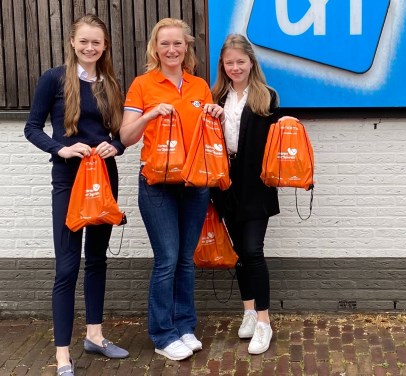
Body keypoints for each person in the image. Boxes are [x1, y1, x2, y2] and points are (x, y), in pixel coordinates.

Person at [23, 14, 129, 376]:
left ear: (104, 46)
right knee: (67, 267)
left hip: (103, 179)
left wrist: (116, 147)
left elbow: (119, 135)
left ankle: (95, 336)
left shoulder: (111, 83)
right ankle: (63, 355)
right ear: (72, 42)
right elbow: (31, 128)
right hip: (68, 181)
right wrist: (60, 149)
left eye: (96, 42)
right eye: (84, 41)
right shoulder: (53, 79)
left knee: (97, 261)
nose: (90, 47)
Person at [119, 18, 223, 361]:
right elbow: (125, 136)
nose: (172, 49)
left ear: (186, 47)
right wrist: (149, 116)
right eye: (165, 44)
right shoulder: (142, 85)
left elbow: (207, 134)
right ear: (155, 47)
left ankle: (184, 326)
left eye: (178, 43)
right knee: (167, 260)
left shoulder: (199, 85)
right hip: (157, 186)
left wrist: (215, 113)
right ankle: (163, 335)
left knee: (186, 261)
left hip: (195, 184)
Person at [210, 34, 282, 355]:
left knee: (253, 249)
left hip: (256, 181)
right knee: (239, 251)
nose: (235, 67)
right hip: (226, 181)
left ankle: (265, 322)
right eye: (229, 62)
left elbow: (275, 141)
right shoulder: (216, 95)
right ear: (223, 66)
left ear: (251, 62)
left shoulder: (266, 97)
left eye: (241, 61)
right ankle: (249, 312)